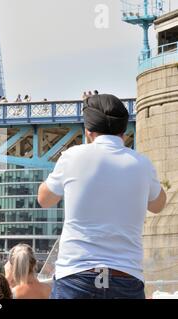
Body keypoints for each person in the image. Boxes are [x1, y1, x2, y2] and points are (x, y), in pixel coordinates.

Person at [38, 94, 167, 299]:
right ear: (124, 131)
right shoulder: (142, 164)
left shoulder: (72, 157)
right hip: (126, 276)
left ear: (88, 131)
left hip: (76, 276)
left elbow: (44, 200)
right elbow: (159, 205)